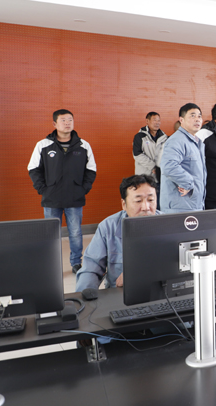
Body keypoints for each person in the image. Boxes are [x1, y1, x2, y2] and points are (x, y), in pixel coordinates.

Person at [28, 109, 97, 274]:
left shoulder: (83, 145)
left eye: (70, 120)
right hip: (51, 198)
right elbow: (33, 168)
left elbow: (91, 170)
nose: (67, 123)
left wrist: (83, 189)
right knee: (51, 234)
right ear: (54, 124)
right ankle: (52, 263)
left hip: (75, 196)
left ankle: (76, 262)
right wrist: (43, 189)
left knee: (75, 232)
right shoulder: (43, 145)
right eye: (63, 120)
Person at [75, 175, 159, 291]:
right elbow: (91, 268)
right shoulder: (108, 227)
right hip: (119, 293)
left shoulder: (170, 224)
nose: (146, 207)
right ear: (124, 204)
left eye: (151, 200)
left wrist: (138, 274)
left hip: (160, 293)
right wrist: (85, 295)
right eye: (138, 201)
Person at [160, 103, 206, 213]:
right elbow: (169, 166)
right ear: (181, 120)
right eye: (192, 116)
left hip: (193, 203)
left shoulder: (197, 142)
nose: (197, 119)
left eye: (199, 116)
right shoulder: (177, 140)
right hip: (179, 206)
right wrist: (188, 183)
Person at [133, 112, 167, 208]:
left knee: (159, 204)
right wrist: (153, 167)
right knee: (146, 204)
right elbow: (137, 155)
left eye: (159, 120)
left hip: (159, 177)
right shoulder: (140, 136)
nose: (157, 122)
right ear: (147, 121)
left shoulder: (164, 137)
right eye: (154, 120)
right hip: (144, 177)